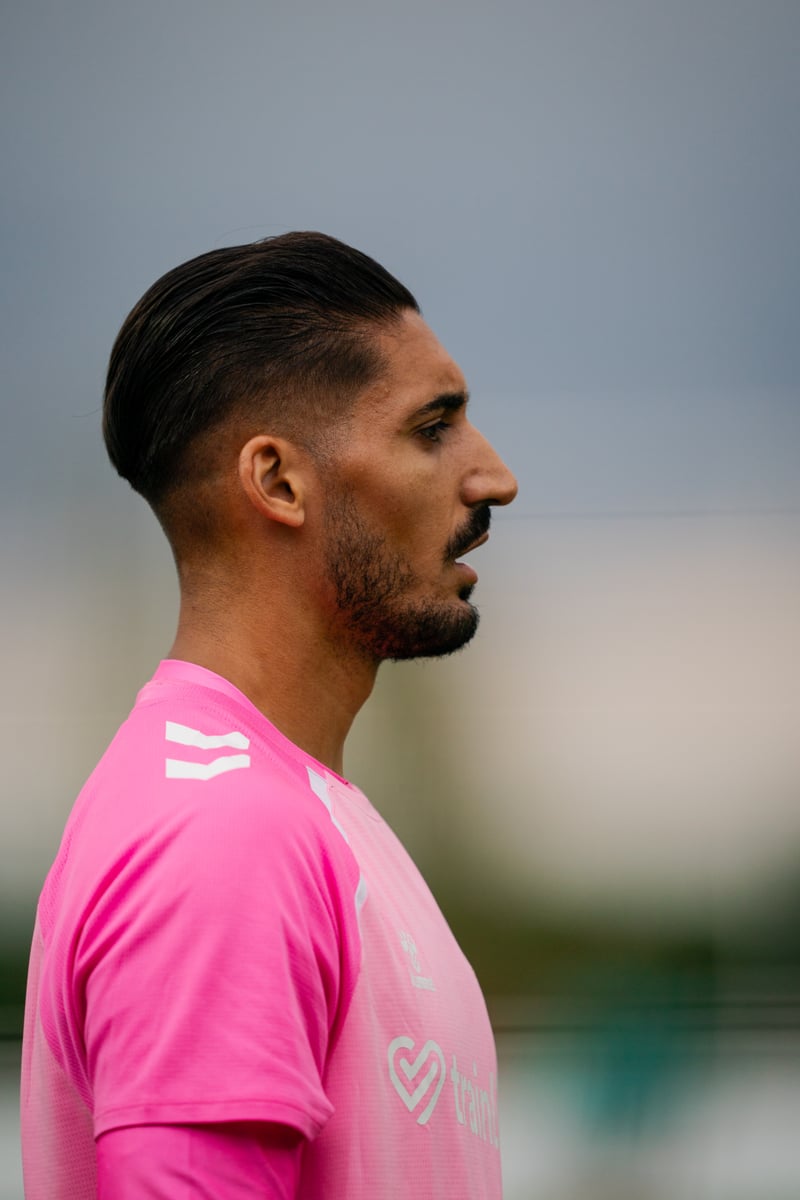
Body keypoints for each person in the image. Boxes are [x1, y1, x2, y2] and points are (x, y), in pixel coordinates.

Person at [20, 231, 518, 1198]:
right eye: (433, 428)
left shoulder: (295, 811)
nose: (494, 477)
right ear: (279, 482)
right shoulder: (225, 834)